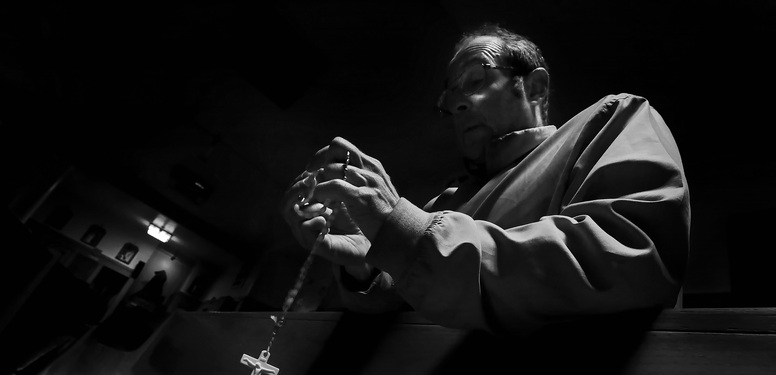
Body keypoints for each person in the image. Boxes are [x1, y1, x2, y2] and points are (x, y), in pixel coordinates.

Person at [281, 22, 690, 336]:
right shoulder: (446, 203)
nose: (457, 103)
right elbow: (402, 313)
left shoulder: (610, 122)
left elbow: (629, 265)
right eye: (449, 98)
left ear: (534, 87)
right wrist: (365, 267)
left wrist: (408, 232)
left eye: (475, 81)